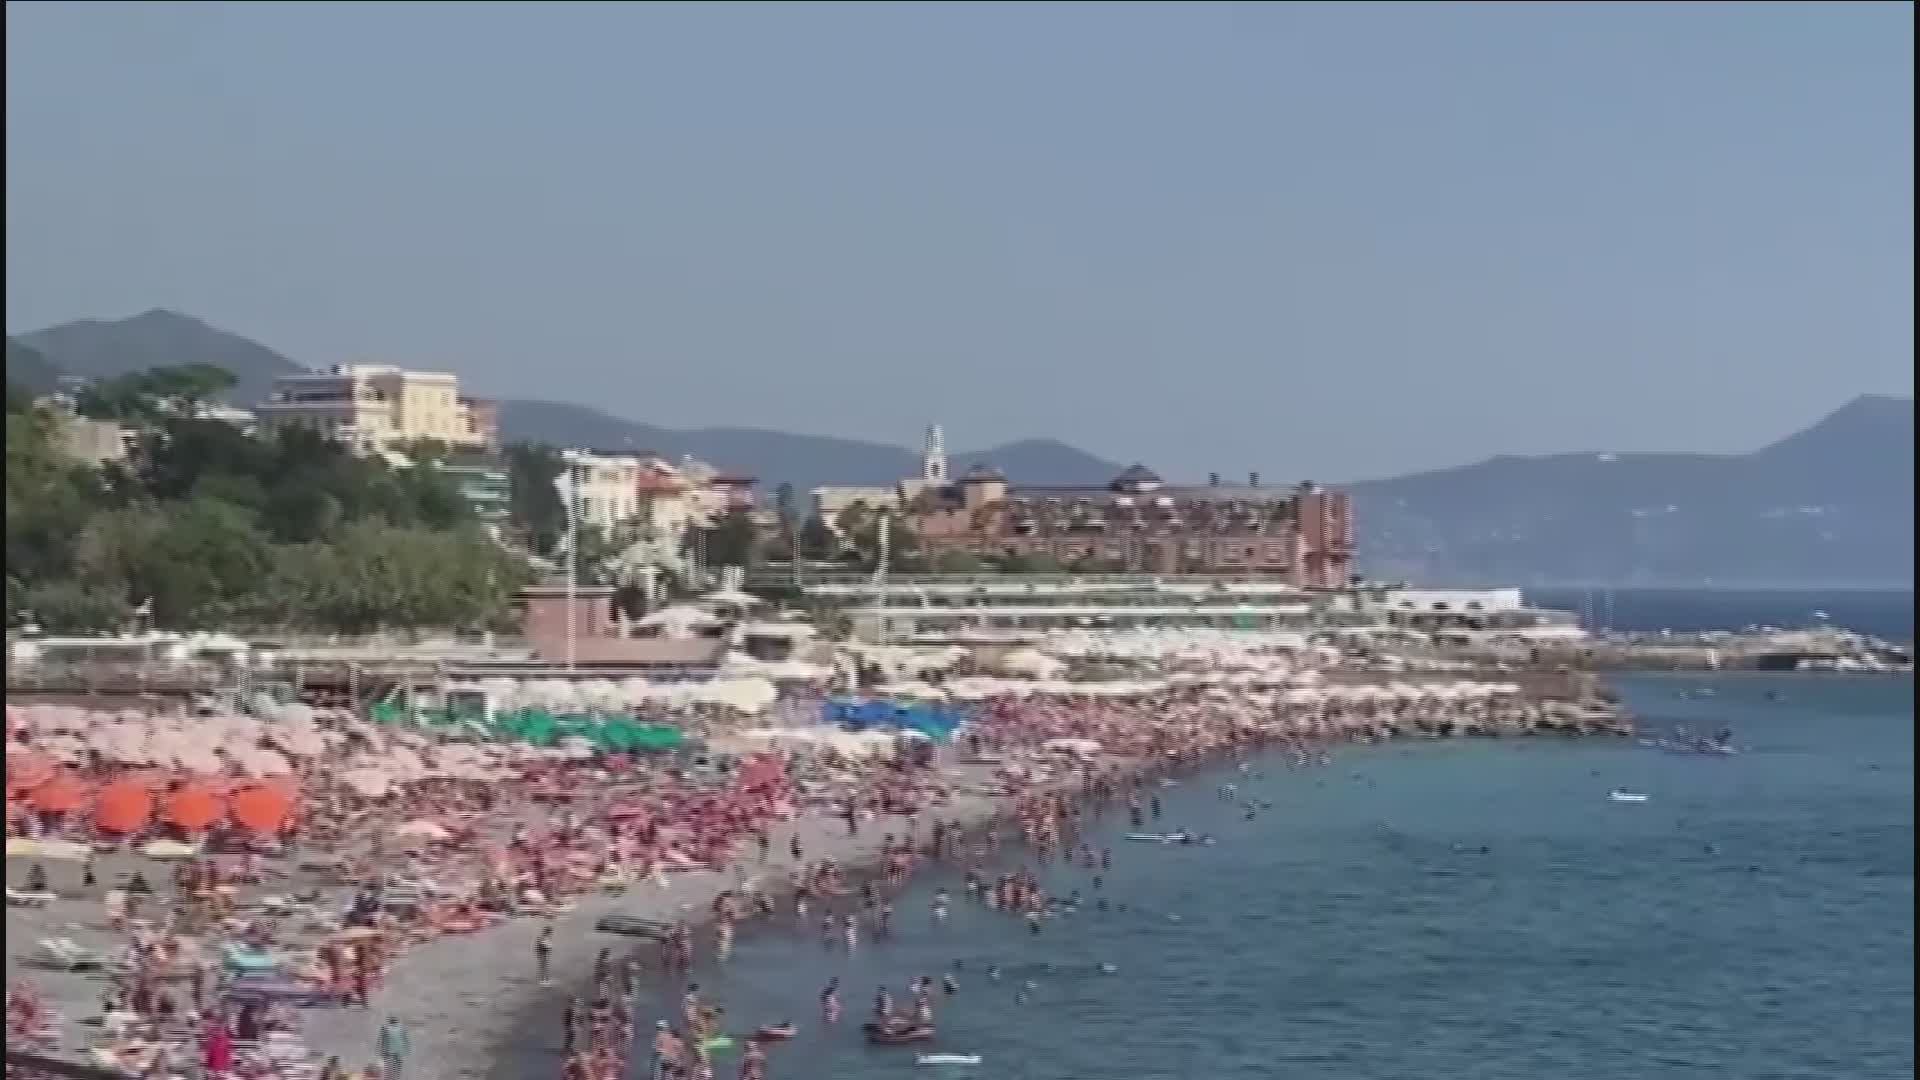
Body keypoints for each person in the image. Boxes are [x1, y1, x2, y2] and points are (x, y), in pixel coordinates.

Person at [377, 1015, 410, 1080]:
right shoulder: (402, 1028)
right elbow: (405, 1039)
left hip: (388, 1050)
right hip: (399, 1050)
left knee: (386, 1063)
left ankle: (387, 1076)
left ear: (389, 1022)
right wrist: (407, 1049)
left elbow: (381, 1039)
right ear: (397, 1022)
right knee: (399, 1062)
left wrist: (380, 1049)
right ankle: (397, 1075)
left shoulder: (385, 1027)